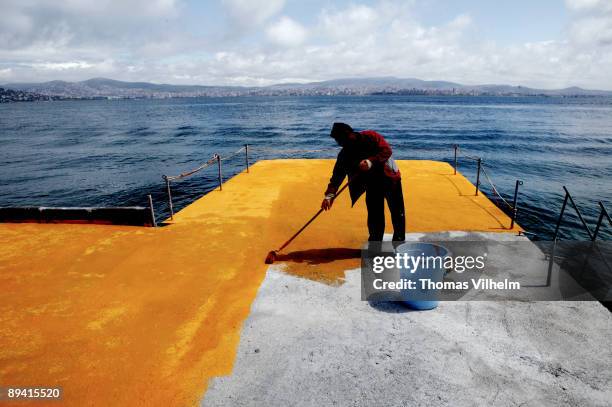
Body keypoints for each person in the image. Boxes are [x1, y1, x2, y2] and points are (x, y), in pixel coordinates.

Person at [321, 122, 405, 242]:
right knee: (375, 216)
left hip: (390, 179)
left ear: (348, 134)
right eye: (337, 140)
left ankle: (399, 243)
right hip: (372, 184)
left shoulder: (370, 136)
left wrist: (370, 162)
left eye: (339, 139)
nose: (339, 143)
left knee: (397, 213)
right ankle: (375, 245)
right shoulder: (344, 154)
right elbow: (337, 176)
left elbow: (386, 150)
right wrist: (329, 195)